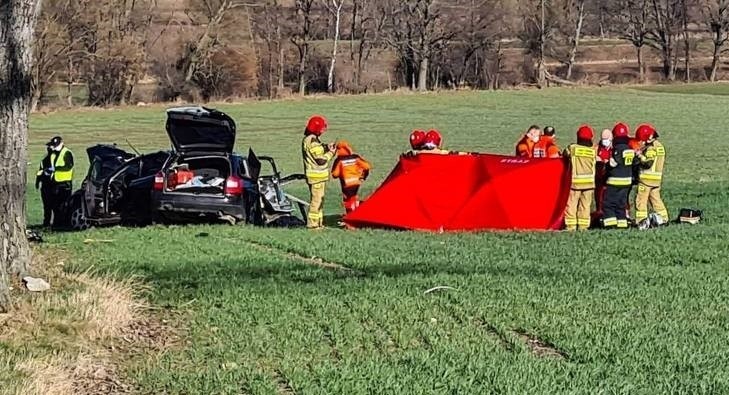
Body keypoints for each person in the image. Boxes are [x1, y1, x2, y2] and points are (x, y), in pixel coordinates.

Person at [301, 115, 335, 230]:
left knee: (320, 200)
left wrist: (326, 147)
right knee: (316, 202)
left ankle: (319, 223)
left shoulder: (311, 139)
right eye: (321, 128)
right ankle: (312, 225)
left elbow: (317, 150)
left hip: (317, 178)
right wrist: (331, 153)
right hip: (316, 177)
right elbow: (320, 160)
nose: (323, 131)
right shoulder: (312, 141)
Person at [562, 125, 597, 231]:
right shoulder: (593, 150)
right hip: (589, 183)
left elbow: (565, 154)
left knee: (571, 205)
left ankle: (571, 227)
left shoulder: (572, 148)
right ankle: (583, 227)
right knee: (585, 206)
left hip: (575, 182)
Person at [36, 136, 74, 228]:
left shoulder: (67, 153)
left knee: (61, 207)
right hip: (52, 184)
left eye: (54, 145)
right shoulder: (50, 156)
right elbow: (42, 169)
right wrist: (38, 180)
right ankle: (49, 224)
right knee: (49, 206)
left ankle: (60, 224)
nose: (52, 148)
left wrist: (54, 169)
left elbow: (68, 166)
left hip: (64, 184)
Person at [634, 123, 669, 224]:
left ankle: (641, 221)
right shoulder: (660, 146)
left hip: (646, 180)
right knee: (656, 200)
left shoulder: (651, 148)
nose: (642, 142)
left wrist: (640, 156)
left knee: (641, 201)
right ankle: (664, 219)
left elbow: (648, 163)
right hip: (656, 180)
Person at [603, 123, 634, 229]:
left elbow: (613, 163)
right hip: (627, 181)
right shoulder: (630, 149)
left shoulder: (618, 149)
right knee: (621, 204)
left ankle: (610, 224)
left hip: (615, 180)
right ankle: (622, 224)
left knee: (608, 203)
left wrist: (606, 164)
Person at [331, 140, 372, 214]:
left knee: (347, 201)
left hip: (346, 184)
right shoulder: (355, 157)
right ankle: (357, 210)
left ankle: (351, 217)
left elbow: (335, 174)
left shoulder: (339, 160)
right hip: (356, 182)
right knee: (353, 198)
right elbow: (367, 167)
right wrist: (363, 176)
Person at [592, 128, 613, 222]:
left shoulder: (614, 148)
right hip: (599, 177)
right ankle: (599, 214)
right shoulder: (597, 147)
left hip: (610, 177)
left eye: (606, 139)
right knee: (598, 198)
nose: (604, 141)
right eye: (603, 139)